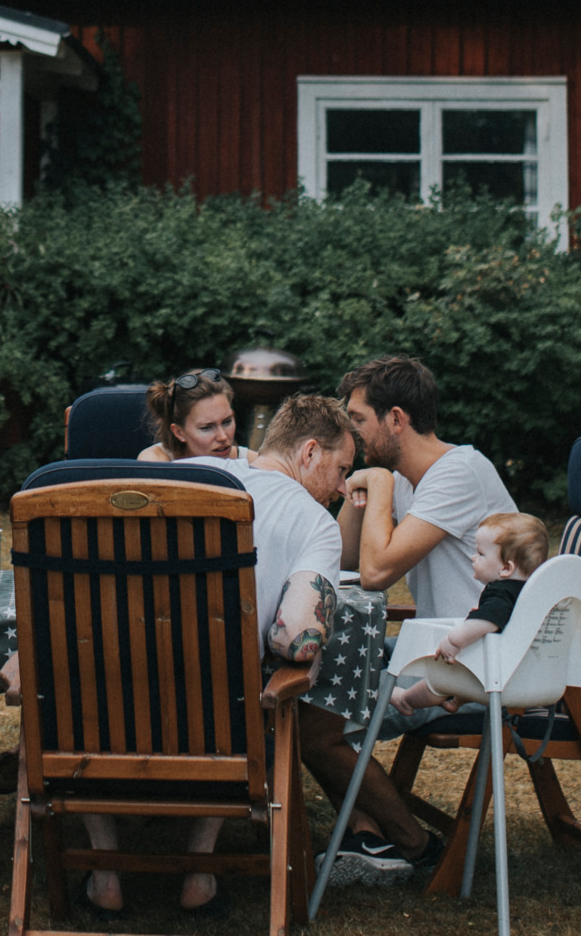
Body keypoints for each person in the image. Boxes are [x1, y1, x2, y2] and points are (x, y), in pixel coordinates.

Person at [73, 392, 362, 915]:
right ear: (311, 452)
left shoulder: (162, 480)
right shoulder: (313, 523)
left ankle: (106, 871)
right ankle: (199, 875)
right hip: (216, 733)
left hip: (100, 719)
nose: (342, 487)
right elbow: (296, 637)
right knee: (234, 677)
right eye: (341, 469)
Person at [312, 354, 519, 885]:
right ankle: (365, 833)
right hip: (434, 648)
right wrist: (360, 495)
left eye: (358, 420)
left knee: (315, 724)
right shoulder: (407, 477)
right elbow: (339, 559)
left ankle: (415, 846)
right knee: (307, 684)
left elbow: (377, 572)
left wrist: (376, 486)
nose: (350, 432)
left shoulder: (459, 474)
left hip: (472, 665)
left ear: (396, 419)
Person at [387, 513, 550, 715]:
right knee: (464, 671)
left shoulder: (500, 591)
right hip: (522, 674)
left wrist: (454, 640)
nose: (474, 557)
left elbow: (486, 622)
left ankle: (405, 699)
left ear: (506, 568)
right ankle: (457, 700)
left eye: (481, 554)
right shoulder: (532, 593)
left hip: (495, 676)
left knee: (439, 680)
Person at [137, 368, 245, 462]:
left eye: (227, 422)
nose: (223, 436)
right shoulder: (155, 461)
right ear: (179, 432)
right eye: (206, 428)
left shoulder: (247, 459)